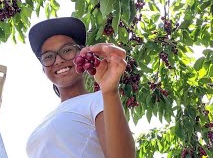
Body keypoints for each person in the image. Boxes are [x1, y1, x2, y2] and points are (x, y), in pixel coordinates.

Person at [26, 17, 136, 158]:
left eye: (67, 50)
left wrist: (109, 91)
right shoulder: (46, 120)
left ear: (83, 55)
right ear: (43, 69)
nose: (58, 60)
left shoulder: (98, 100)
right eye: (48, 56)